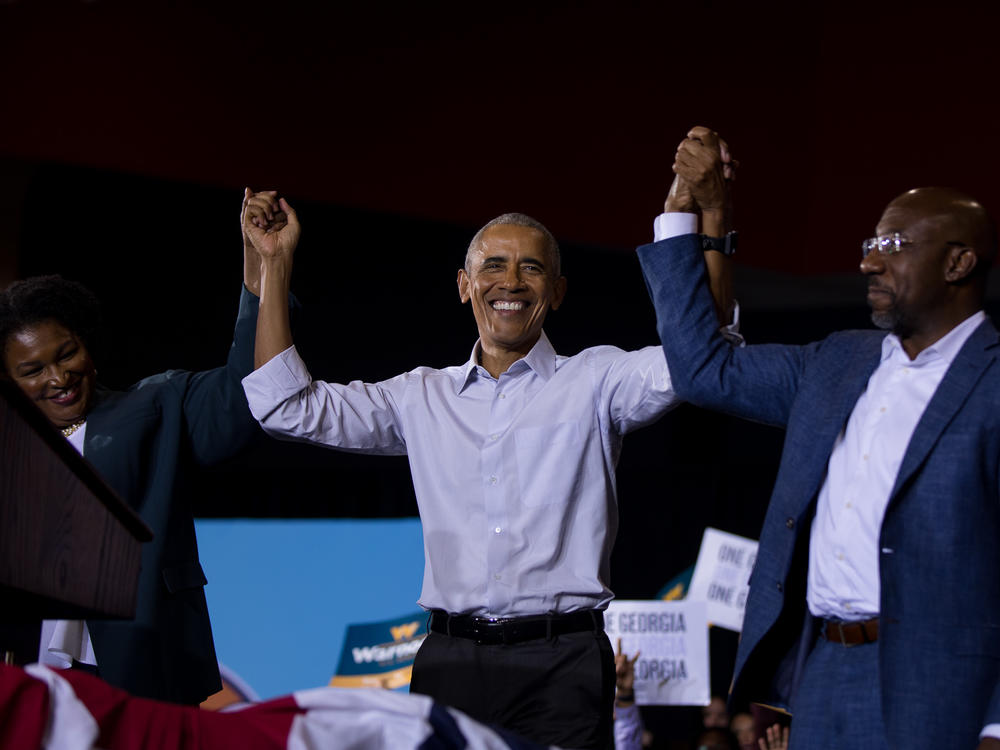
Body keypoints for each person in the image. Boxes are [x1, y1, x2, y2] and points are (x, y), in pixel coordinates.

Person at [240, 146, 737, 750]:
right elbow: (284, 404)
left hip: (564, 663)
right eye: (494, 265)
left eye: (531, 269)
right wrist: (273, 265)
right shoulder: (419, 397)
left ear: (556, 292)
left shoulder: (597, 381)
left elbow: (702, 358)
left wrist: (702, 217)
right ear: (463, 286)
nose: (510, 281)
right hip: (449, 662)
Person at [637, 127, 1000, 749]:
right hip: (820, 674)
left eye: (892, 244)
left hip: (944, 693)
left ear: (958, 261)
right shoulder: (836, 364)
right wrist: (684, 213)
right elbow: (702, 370)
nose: (868, 262)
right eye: (868, 243)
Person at [0, 188, 282, 705]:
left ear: (88, 344)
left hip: (139, 667)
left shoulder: (153, 407)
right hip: (32, 671)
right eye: (32, 370)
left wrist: (262, 274)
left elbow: (250, 395)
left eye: (67, 354)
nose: (58, 377)